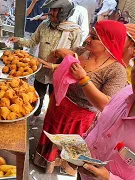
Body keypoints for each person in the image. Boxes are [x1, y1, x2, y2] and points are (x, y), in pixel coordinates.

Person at [35, 20, 127, 174]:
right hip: (59, 104)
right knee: (52, 134)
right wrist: (57, 53)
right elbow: (52, 62)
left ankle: (67, 167)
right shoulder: (82, 51)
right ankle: (45, 161)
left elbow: (106, 105)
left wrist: (83, 79)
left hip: (81, 117)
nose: (87, 39)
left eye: (94, 37)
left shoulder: (117, 71)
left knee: (70, 145)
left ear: (108, 42)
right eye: (90, 33)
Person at [9, 0, 81, 123]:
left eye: (54, 10)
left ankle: (51, 119)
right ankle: (36, 114)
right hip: (41, 70)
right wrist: (18, 40)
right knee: (38, 95)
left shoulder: (74, 31)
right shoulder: (44, 25)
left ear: (64, 12)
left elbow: (74, 57)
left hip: (59, 73)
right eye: (50, 10)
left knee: (55, 99)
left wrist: (54, 66)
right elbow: (32, 42)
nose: (50, 13)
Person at [78, 28, 135, 179]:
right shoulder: (125, 93)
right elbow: (100, 123)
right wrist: (81, 148)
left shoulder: (116, 71)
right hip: (84, 171)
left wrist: (109, 178)